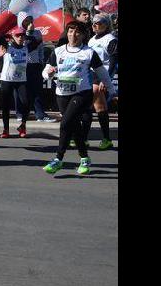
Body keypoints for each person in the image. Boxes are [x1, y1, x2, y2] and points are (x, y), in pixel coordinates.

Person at [42, 20, 110, 176]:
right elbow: (45, 71)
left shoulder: (88, 52)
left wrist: (111, 88)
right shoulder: (58, 51)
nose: (73, 35)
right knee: (74, 127)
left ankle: (58, 159)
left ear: (83, 34)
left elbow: (102, 72)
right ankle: (85, 158)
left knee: (65, 123)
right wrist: (49, 73)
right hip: (62, 93)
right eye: (71, 31)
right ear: (67, 33)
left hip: (82, 93)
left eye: (77, 32)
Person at [0, 27, 33, 138]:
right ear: (12, 37)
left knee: (26, 103)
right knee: (6, 105)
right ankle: (6, 129)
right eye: (18, 35)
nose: (20, 37)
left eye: (22, 35)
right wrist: (10, 35)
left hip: (21, 80)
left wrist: (27, 34)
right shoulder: (7, 47)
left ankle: (22, 125)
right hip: (7, 79)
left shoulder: (26, 48)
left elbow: (35, 40)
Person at [87, 14, 118, 150]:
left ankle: (82, 138)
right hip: (89, 74)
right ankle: (106, 138)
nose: (94, 25)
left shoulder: (111, 40)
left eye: (98, 23)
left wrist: (106, 80)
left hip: (102, 74)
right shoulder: (92, 39)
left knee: (89, 104)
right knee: (99, 107)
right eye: (93, 23)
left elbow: (112, 62)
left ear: (105, 25)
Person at [18, 14, 56, 123]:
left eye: (30, 20)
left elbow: (39, 47)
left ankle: (40, 114)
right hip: (23, 65)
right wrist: (29, 33)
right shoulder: (19, 33)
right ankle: (20, 113)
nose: (29, 23)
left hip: (36, 64)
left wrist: (41, 61)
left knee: (37, 90)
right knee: (22, 90)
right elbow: (26, 48)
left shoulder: (38, 32)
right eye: (26, 21)